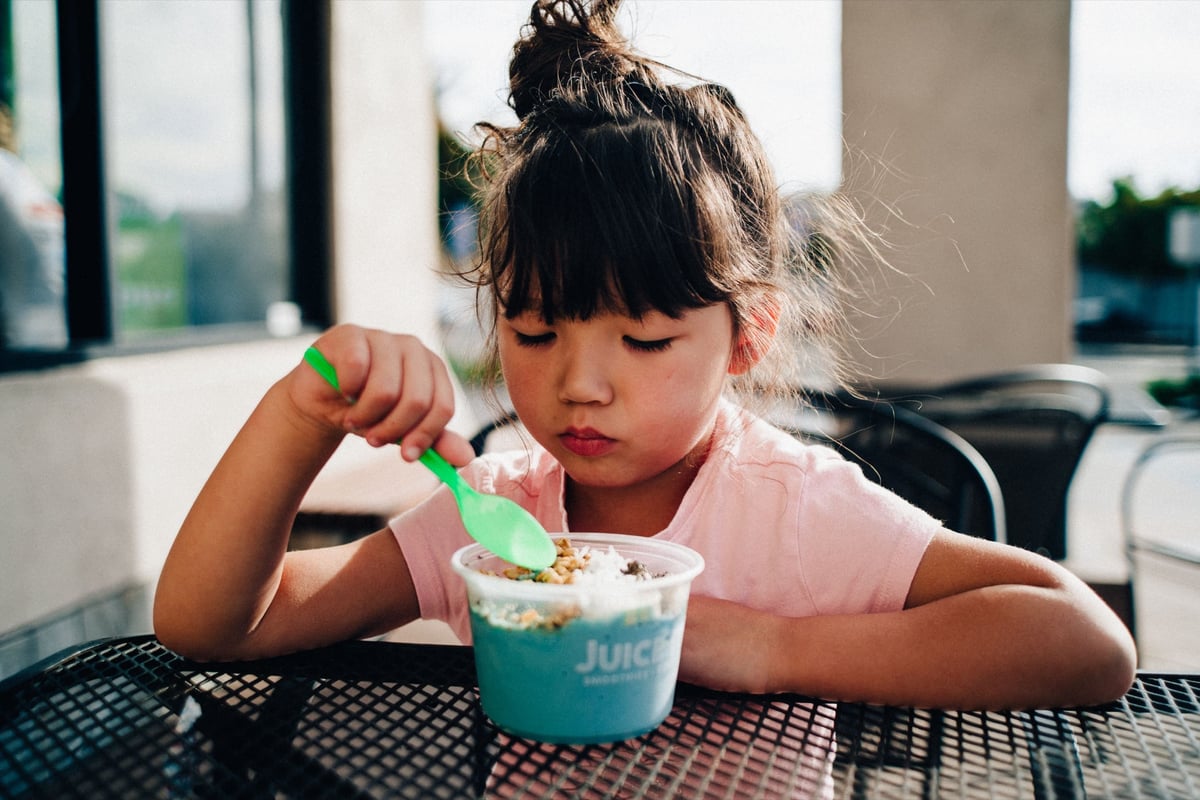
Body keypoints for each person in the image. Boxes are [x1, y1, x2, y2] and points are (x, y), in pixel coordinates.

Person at [154, 0, 1135, 710]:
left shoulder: (797, 513)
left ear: (747, 333)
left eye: (647, 338)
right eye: (536, 331)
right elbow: (215, 626)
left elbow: (1086, 641)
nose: (580, 382)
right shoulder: (499, 521)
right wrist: (302, 410)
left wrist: (774, 645)